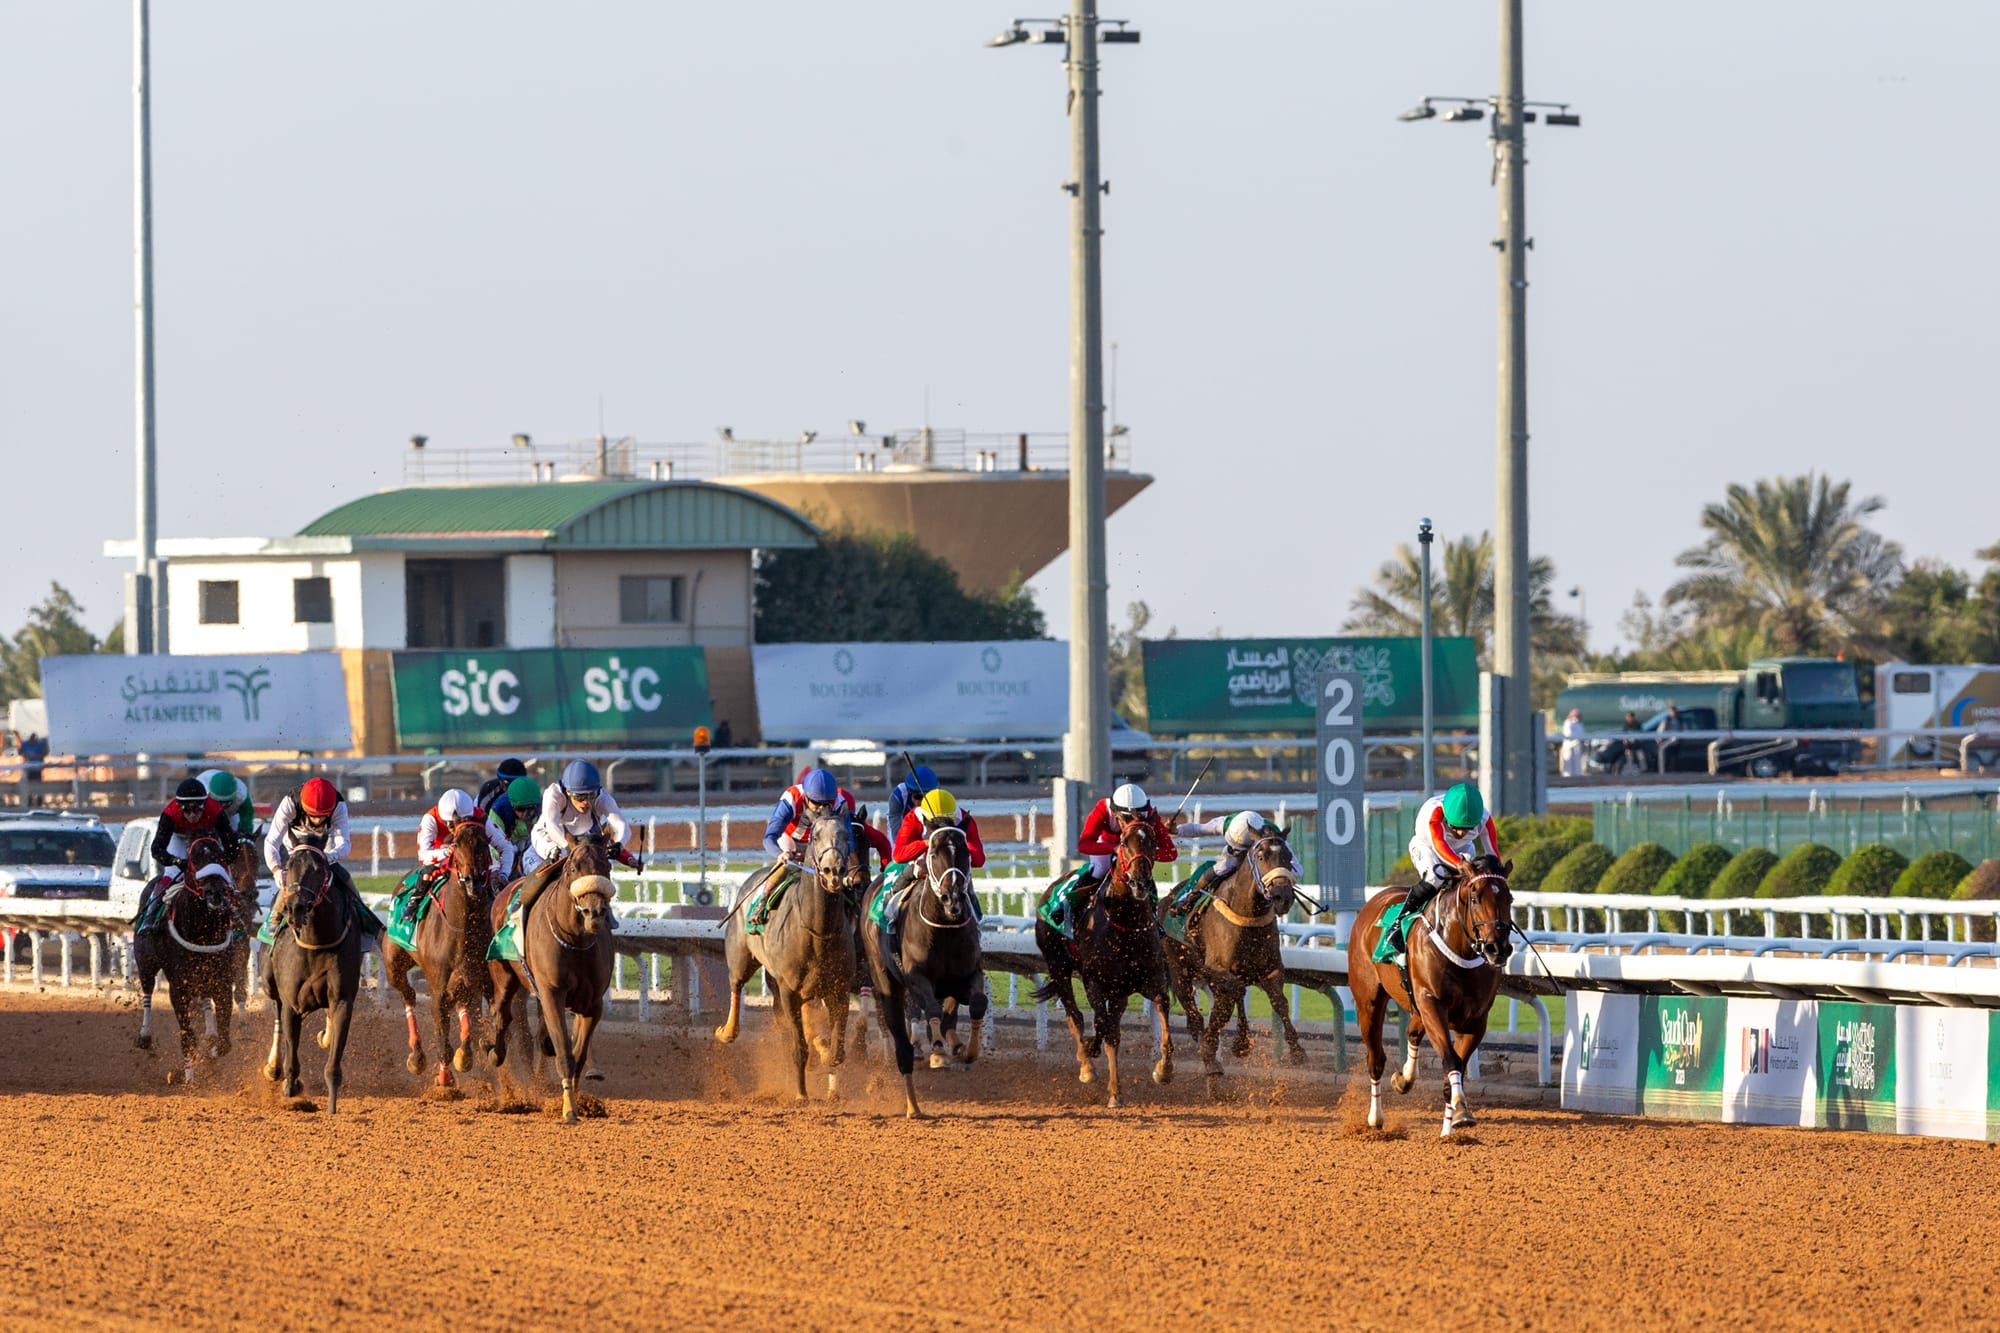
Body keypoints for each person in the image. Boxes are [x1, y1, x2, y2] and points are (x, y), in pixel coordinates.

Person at [511, 760, 639, 921]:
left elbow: (621, 824)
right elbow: (552, 825)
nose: (586, 803)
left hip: (577, 844)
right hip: (547, 841)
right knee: (553, 869)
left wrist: (620, 845)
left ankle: (604, 910)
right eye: (579, 797)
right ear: (568, 792)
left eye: (590, 796)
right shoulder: (554, 794)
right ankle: (521, 904)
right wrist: (567, 846)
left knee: (595, 868)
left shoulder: (602, 798)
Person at [1385, 781, 1499, 958]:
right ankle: (1397, 925)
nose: (1461, 833)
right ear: (1447, 816)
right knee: (1434, 878)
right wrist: (1461, 865)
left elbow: (1493, 853)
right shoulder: (1434, 812)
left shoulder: (1485, 818)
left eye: (1467, 829)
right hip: (1427, 847)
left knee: (1477, 885)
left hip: (1462, 850)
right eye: (1456, 827)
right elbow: (1439, 846)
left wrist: (1495, 875)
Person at [264, 776, 380, 937]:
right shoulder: (290, 803)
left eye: (322, 816)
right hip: (296, 849)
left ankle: (364, 918)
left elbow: (344, 845)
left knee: (345, 878)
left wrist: (326, 857)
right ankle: (274, 918)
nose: (318, 820)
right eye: (313, 815)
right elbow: (271, 842)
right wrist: (276, 869)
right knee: (290, 881)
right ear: (304, 807)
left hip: (324, 849)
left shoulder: (338, 805)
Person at [134, 777, 242, 932]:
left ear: (205, 805)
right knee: (171, 873)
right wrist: (176, 861)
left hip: (207, 838)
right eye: (187, 810)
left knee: (224, 874)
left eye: (197, 809)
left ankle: (234, 914)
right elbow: (157, 849)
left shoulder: (216, 810)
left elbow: (232, 844)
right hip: (180, 838)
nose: (192, 815)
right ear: (179, 807)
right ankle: (150, 915)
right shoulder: (170, 813)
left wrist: (223, 860)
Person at [398, 788, 514, 924]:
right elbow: (423, 856)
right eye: (453, 825)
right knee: (428, 872)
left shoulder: (479, 816)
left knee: (493, 878)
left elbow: (506, 847)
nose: (460, 826)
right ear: (446, 821)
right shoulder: (430, 819)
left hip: (472, 857)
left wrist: (503, 874)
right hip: (441, 857)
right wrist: (445, 852)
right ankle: (415, 901)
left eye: (467, 820)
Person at [1173, 810, 1298, 898]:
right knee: (1221, 868)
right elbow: (1198, 829)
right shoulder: (1228, 823)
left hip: (1261, 858)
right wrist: (1177, 830)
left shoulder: (1275, 836)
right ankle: (1190, 896)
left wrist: (1280, 875)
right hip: (1237, 855)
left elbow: (1298, 869)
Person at [890, 788, 987, 871]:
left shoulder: (964, 819)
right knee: (908, 874)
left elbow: (978, 860)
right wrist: (927, 843)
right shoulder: (913, 817)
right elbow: (899, 855)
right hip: (919, 865)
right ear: (925, 817)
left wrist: (956, 845)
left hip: (954, 868)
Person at [475, 758, 531, 836]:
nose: (512, 791)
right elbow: (480, 820)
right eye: (509, 786)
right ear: (500, 782)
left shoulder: (530, 792)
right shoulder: (489, 792)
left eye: (517, 786)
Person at [198, 768, 257, 840]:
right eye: (220, 802)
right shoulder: (201, 790)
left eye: (227, 802)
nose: (223, 806)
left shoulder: (242, 795)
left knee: (233, 836)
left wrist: (244, 832)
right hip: (206, 811)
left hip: (231, 813)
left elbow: (247, 817)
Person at [886, 765, 940, 836]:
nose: (923, 802)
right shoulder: (899, 795)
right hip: (904, 826)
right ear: (909, 791)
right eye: (918, 797)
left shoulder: (939, 796)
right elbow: (894, 826)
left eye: (927, 797)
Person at [1559, 709, 1587, 779]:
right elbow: (1568, 734)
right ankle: (1567, 778)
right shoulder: (1568, 722)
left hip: (1578, 745)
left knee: (1577, 762)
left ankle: (1578, 777)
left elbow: (1582, 735)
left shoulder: (1580, 724)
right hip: (1569, 746)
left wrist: (1582, 745)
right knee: (1568, 762)